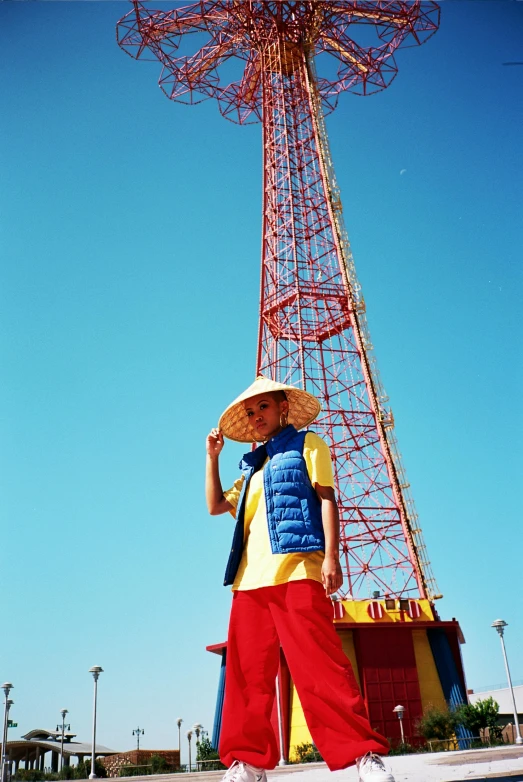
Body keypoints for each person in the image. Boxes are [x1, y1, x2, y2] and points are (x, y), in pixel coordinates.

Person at [206, 376, 396, 782]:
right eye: (251, 412)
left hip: (297, 572)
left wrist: (332, 557)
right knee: (247, 677)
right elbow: (216, 505)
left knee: (322, 669)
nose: (257, 416)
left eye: (264, 407)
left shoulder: (309, 445)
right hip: (248, 583)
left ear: (283, 408)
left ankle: (363, 755)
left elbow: (327, 498)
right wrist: (212, 457)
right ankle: (250, 763)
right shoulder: (251, 468)